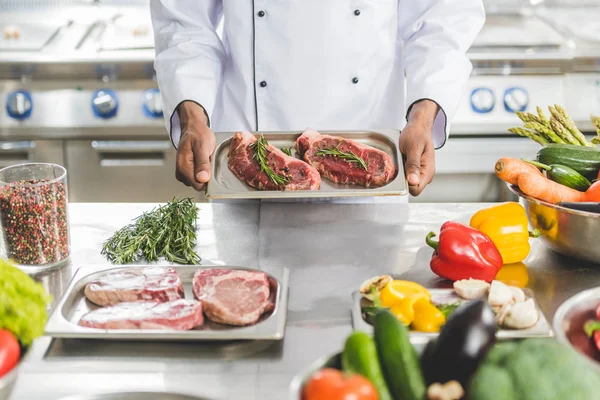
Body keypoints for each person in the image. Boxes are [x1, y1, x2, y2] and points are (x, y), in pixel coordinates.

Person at [150, 1, 485, 197]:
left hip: (369, 150)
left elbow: (441, 22)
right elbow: (185, 27)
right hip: (250, 162)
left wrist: (423, 118)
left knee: (366, 297)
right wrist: (192, 117)